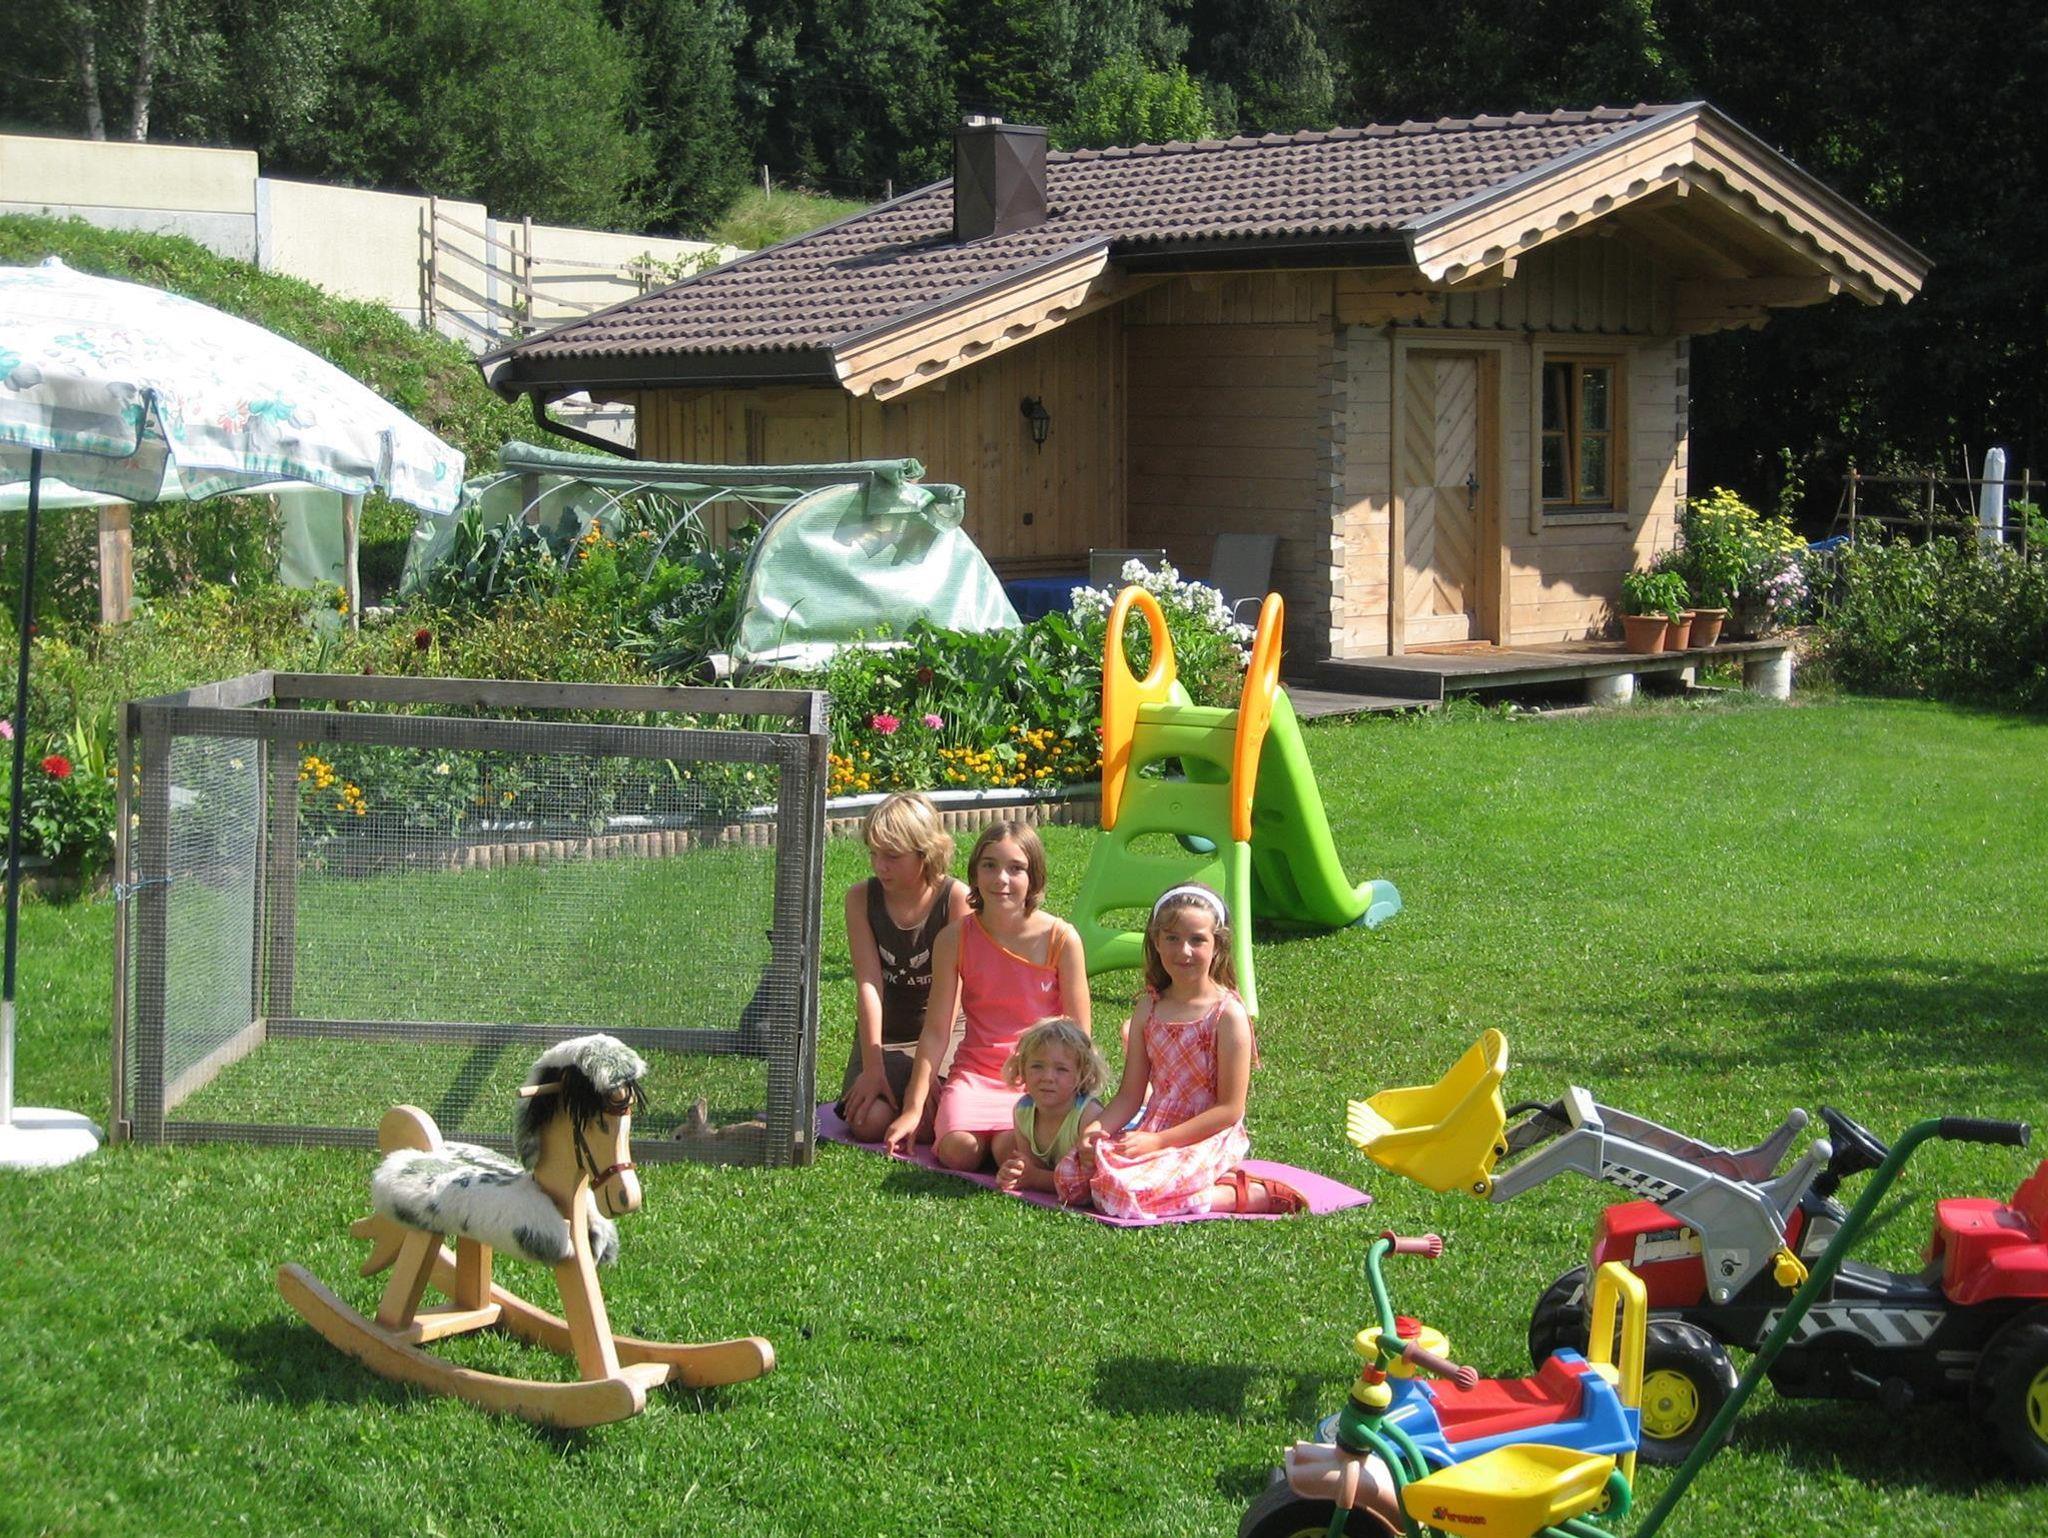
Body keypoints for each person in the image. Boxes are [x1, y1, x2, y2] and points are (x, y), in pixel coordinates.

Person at [1055, 883, 1303, 1218]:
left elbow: (1229, 1109)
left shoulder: (1227, 1015)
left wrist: (1159, 1143)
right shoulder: (1149, 1008)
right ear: (1156, 942)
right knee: (1074, 1174)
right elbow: (1130, 1095)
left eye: (1197, 940)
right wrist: (1095, 1131)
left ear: (1217, 945)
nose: (1183, 951)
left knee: (1128, 1192)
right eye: (1172, 938)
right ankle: (1194, 1184)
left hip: (1206, 1134)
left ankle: (1245, 1195)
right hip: (1156, 1126)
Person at [884, 820, 1091, 1171]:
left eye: (1016, 868)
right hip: (975, 1074)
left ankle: (1009, 1139)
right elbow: (936, 1031)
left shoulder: (1061, 938)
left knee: (1011, 1149)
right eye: (990, 865)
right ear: (975, 872)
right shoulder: (954, 938)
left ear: (1034, 877)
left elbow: (1079, 1034)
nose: (1001, 879)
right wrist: (913, 1108)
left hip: (1037, 1078)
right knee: (958, 1152)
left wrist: (1072, 1098)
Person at [838, 793, 973, 1143]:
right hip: (886, 1033)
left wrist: (924, 1079)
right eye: (874, 854)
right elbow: (869, 984)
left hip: (944, 1031)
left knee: (930, 1125)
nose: (880, 866)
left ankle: (921, 1090)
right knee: (868, 1122)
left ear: (925, 853)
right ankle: (893, 1088)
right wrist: (873, 1066)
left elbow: (951, 996)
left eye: (893, 856)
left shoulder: (956, 900)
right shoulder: (860, 898)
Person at [994, 1017, 1107, 1195]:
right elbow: (1032, 1167)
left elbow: (1091, 1182)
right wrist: (1015, 1173)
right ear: (1022, 1069)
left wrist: (1035, 1179)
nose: (1048, 1077)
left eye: (1061, 1069)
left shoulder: (1088, 1117)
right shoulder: (1023, 1111)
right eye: (1037, 1066)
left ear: (1081, 1074)